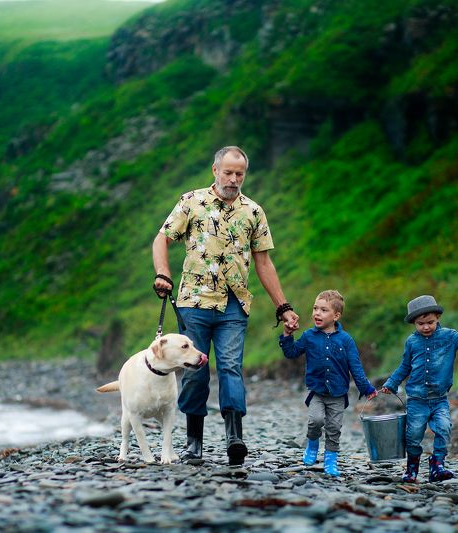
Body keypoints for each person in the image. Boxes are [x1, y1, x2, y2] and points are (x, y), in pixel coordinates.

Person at [152, 146, 299, 466]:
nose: (233, 179)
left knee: (231, 368)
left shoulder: (253, 211)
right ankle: (194, 443)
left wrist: (283, 306)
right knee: (195, 371)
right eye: (228, 172)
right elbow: (161, 239)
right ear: (215, 170)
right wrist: (163, 273)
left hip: (234, 305)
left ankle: (235, 438)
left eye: (239, 174)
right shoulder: (191, 201)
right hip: (194, 302)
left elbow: (264, 263)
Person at [380, 295, 458, 483]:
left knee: (444, 428)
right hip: (417, 399)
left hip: (439, 399)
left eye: (430, 322)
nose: (426, 327)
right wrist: (391, 383)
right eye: (420, 324)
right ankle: (412, 469)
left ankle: (437, 465)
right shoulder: (411, 342)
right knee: (413, 435)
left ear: (438, 317)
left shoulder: (449, 337)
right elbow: (405, 366)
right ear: (414, 323)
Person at [279, 290, 377, 477]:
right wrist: (287, 335)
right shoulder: (309, 336)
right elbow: (291, 353)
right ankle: (312, 444)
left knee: (334, 428)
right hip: (316, 391)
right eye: (315, 308)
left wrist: (366, 388)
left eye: (324, 310)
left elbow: (355, 367)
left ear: (336, 315)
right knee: (315, 420)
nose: (317, 313)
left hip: (338, 394)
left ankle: (331, 459)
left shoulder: (346, 340)